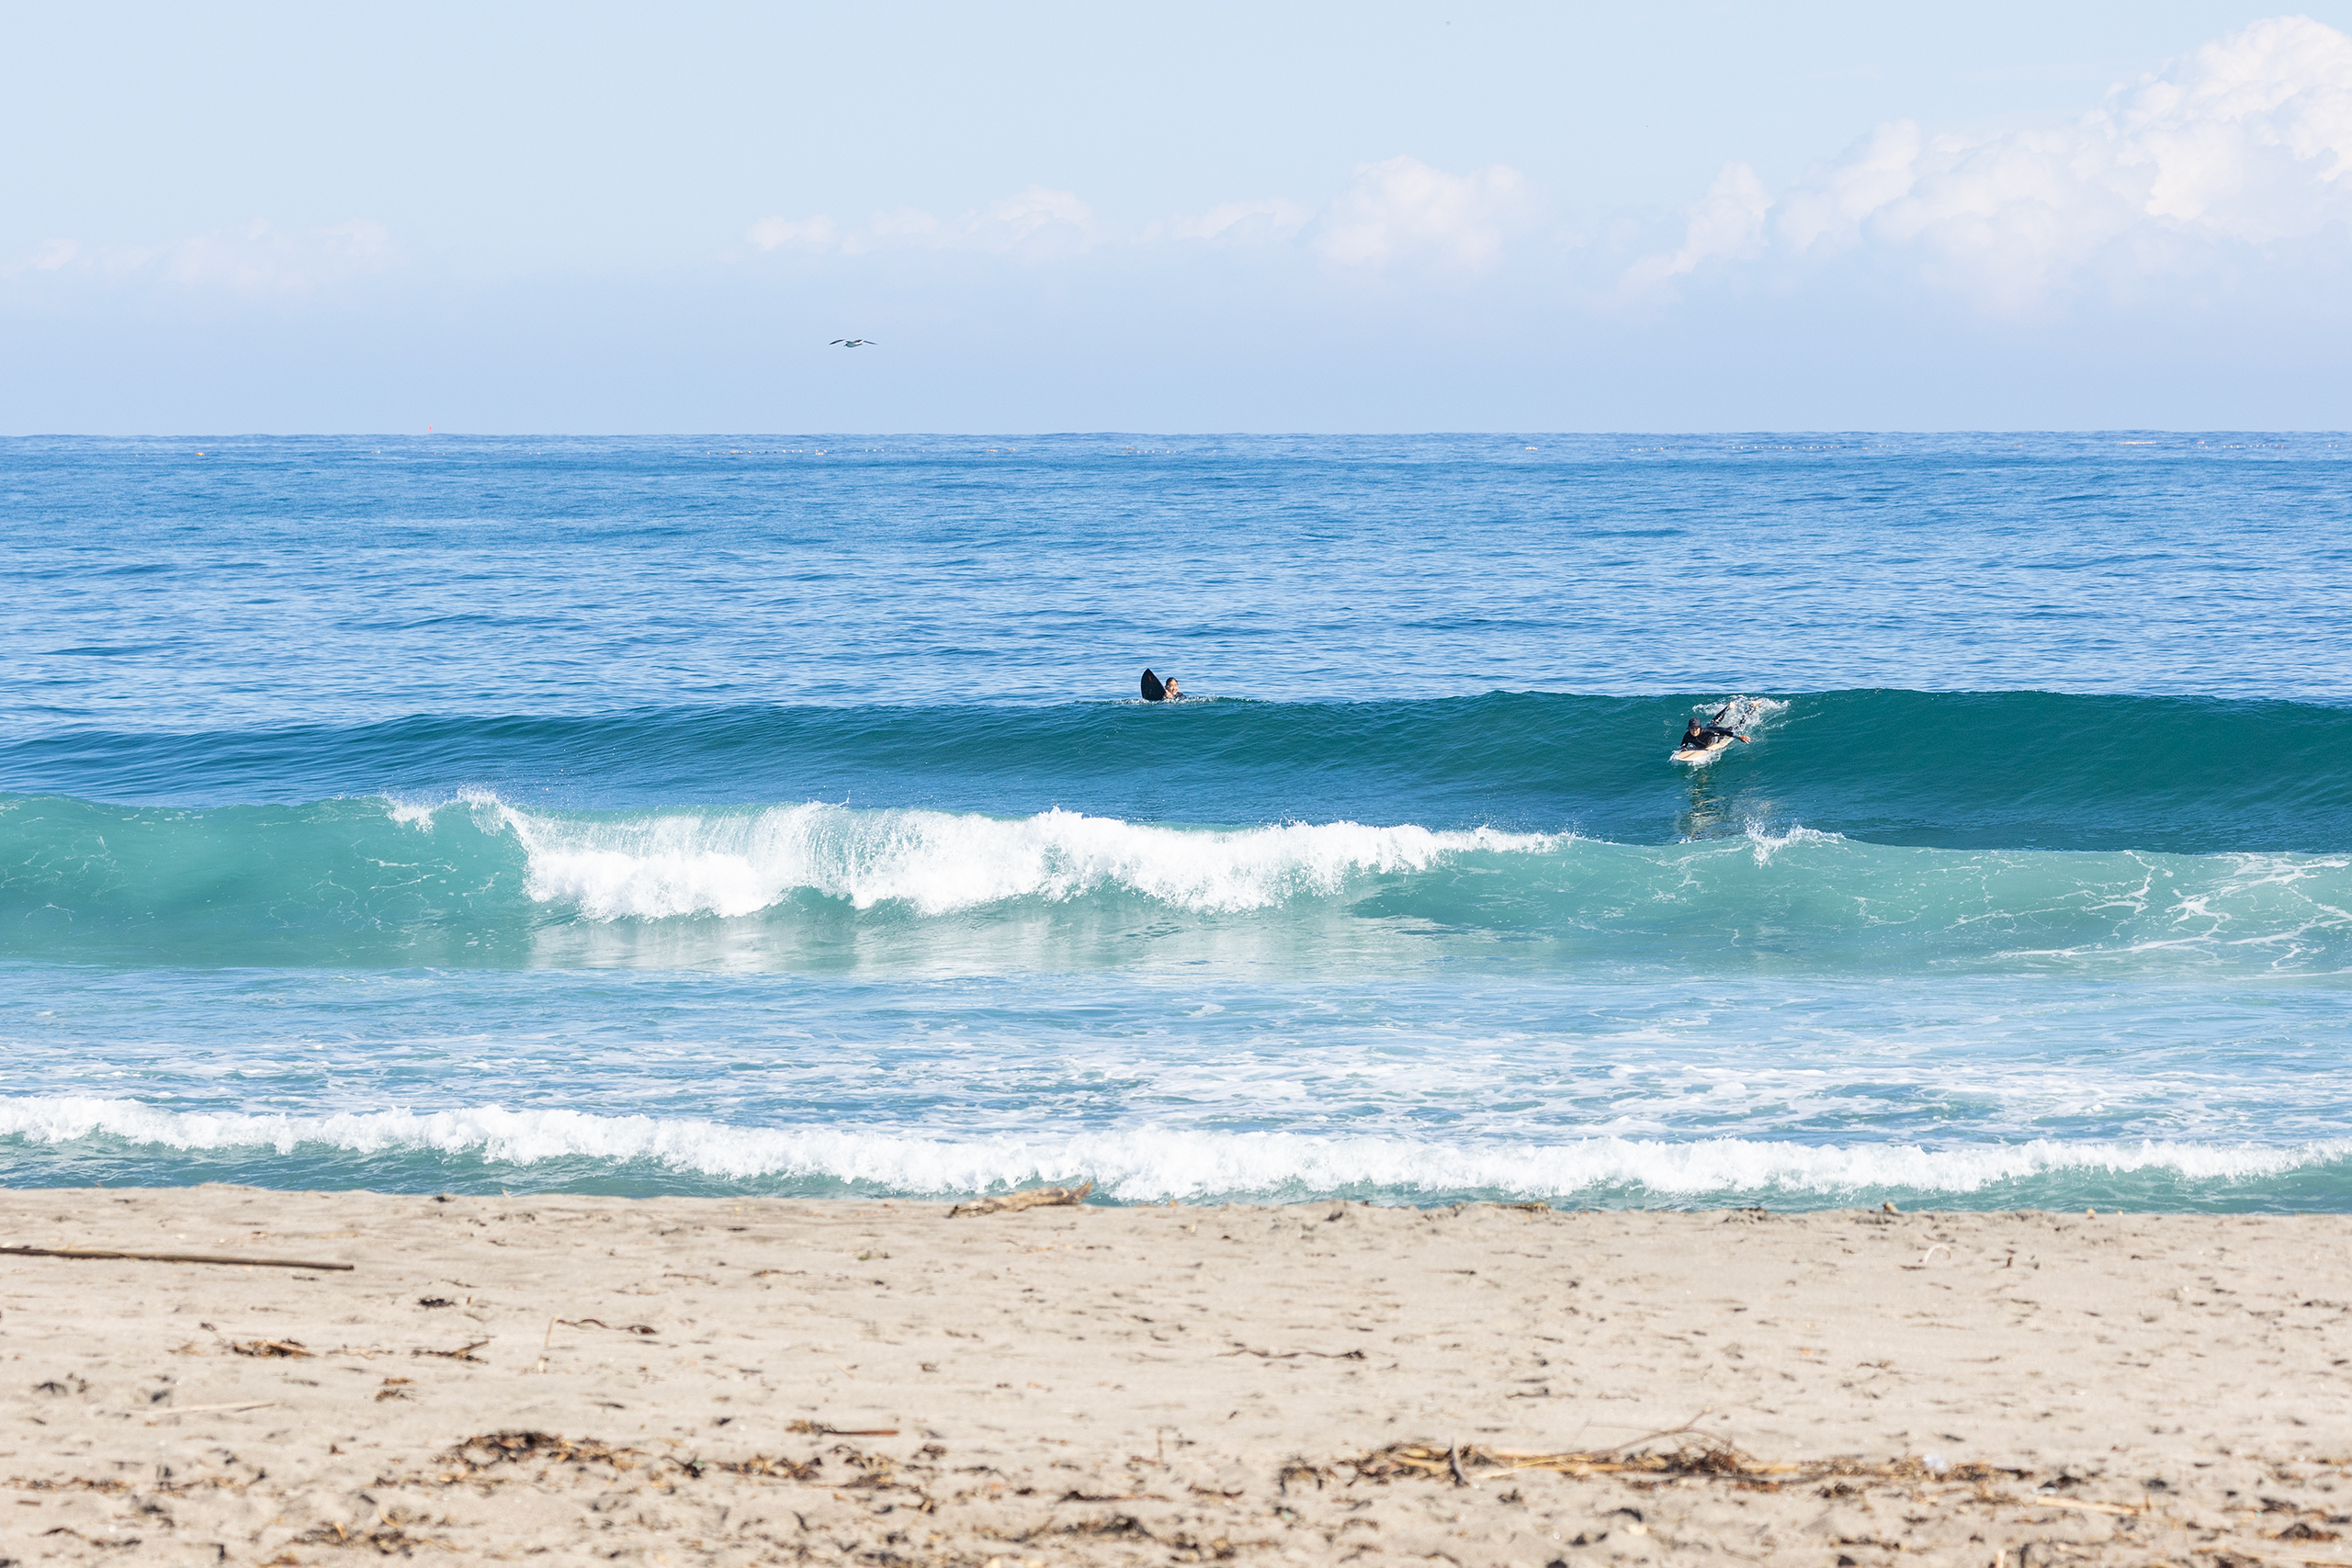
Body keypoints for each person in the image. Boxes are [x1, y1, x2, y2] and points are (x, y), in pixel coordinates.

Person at [1680, 705, 1748, 751]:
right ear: (1689, 729)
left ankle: (1751, 707)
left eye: (1696, 728)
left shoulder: (1707, 732)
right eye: (1692, 729)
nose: (1694, 731)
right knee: (1714, 721)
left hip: (1716, 735)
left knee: (1740, 726)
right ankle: (1727, 707)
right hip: (1709, 727)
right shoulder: (1687, 735)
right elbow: (1683, 745)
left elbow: (1724, 732)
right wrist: (1683, 749)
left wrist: (1739, 737)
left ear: (1700, 728)